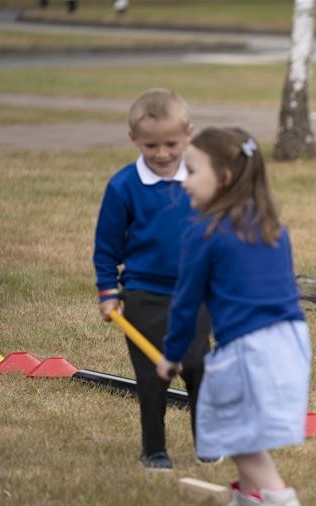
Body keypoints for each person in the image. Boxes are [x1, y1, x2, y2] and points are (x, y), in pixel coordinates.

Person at [157, 128, 310, 506]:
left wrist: (172, 354)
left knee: (236, 436)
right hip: (291, 343)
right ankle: (249, 499)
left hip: (248, 349)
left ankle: (278, 498)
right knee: (246, 431)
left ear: (224, 179)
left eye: (191, 171)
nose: (183, 181)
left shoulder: (204, 233)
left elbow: (186, 303)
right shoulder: (275, 229)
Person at [93, 88, 212, 469]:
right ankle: (155, 449)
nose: (162, 153)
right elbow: (107, 246)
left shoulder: (199, 179)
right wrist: (108, 291)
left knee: (198, 368)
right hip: (144, 297)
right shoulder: (123, 186)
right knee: (151, 379)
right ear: (134, 140)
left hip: (194, 295)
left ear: (189, 134)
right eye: (151, 146)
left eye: (171, 144)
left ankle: (207, 440)